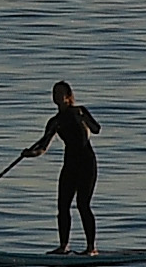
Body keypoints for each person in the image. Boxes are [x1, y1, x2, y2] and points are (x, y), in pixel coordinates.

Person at [25, 80, 102, 253]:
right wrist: (30, 154)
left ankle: (91, 248)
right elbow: (43, 147)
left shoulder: (80, 110)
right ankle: (63, 246)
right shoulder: (54, 121)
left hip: (86, 163)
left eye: (60, 93)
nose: (56, 96)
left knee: (83, 204)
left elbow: (97, 129)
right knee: (63, 206)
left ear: (68, 97)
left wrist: (83, 119)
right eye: (54, 93)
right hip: (70, 164)